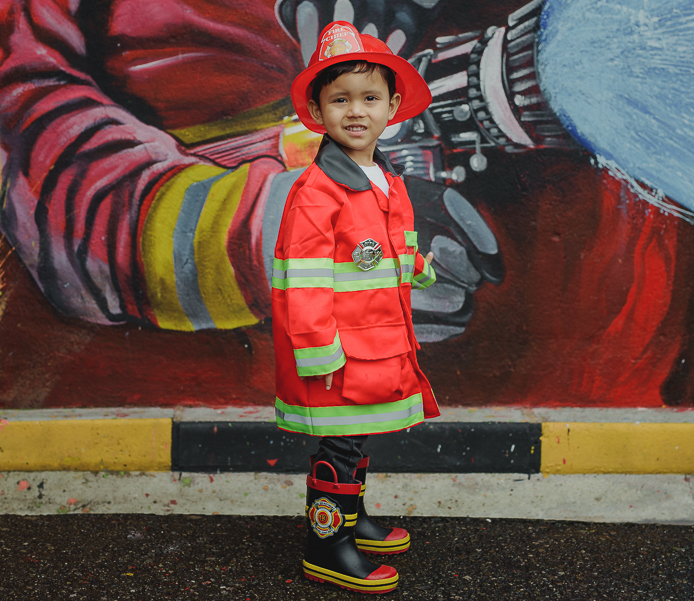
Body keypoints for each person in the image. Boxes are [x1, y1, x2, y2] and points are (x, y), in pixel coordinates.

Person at [271, 21, 438, 594]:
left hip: (376, 344)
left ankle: (353, 519)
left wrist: (415, 268)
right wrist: (318, 352)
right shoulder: (317, 191)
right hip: (338, 353)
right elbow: (304, 280)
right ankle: (327, 545)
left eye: (369, 98)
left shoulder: (386, 177)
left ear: (392, 106)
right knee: (340, 443)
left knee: (357, 436)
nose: (356, 111)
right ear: (318, 112)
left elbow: (389, 247)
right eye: (340, 100)